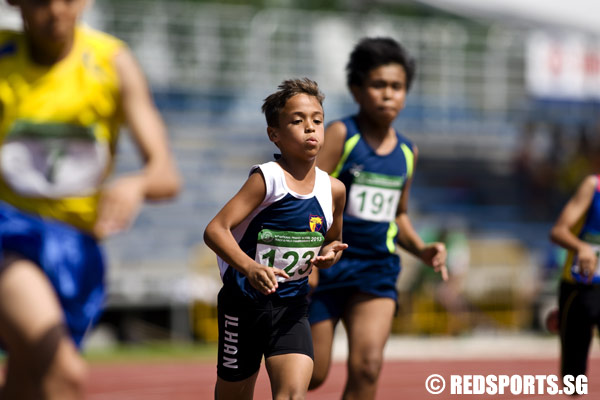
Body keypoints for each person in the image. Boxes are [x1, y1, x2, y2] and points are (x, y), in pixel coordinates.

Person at [0, 0, 181, 399]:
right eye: (41, 1)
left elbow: (166, 175)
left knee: (27, 382)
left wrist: (135, 185)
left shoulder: (112, 62)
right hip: (8, 234)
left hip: (76, 247)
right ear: (15, 3)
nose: (56, 11)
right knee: (64, 374)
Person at [307, 37, 448, 400]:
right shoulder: (341, 135)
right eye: (378, 85)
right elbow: (307, 194)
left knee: (368, 367)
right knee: (313, 374)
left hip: (376, 269)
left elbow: (397, 214)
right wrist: (310, 259)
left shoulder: (407, 151)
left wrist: (422, 249)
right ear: (357, 89)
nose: (388, 94)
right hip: (325, 268)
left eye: (397, 87)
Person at [203, 78, 347, 400]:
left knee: (292, 394)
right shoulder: (266, 179)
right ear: (275, 134)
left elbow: (331, 240)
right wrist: (250, 268)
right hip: (243, 306)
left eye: (317, 120)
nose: (310, 128)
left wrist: (329, 253)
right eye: (297, 121)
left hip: (292, 307)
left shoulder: (334, 190)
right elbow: (215, 230)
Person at [550, 174, 600, 379]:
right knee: (573, 379)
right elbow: (558, 231)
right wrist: (582, 247)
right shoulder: (593, 186)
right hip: (580, 287)